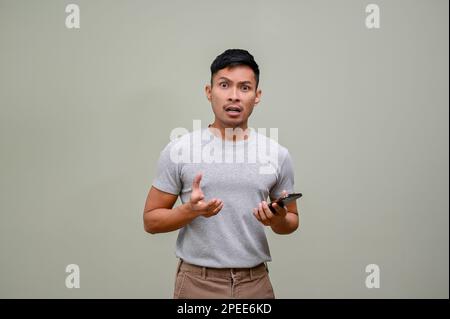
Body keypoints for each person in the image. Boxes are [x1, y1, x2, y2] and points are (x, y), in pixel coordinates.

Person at [143, 49, 299, 299]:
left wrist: (277, 219)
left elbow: (291, 221)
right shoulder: (179, 150)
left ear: (257, 96)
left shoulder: (277, 154)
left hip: (255, 283)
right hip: (197, 283)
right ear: (209, 91)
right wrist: (189, 211)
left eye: (245, 88)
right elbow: (150, 221)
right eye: (224, 85)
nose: (234, 96)